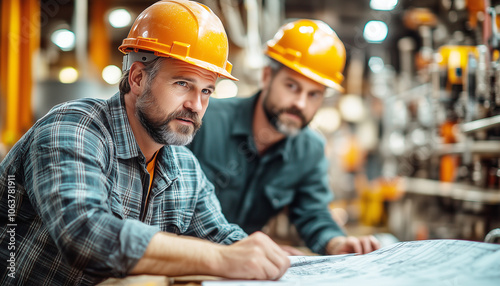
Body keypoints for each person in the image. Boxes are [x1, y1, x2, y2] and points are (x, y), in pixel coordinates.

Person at [0, 1, 289, 285]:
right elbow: (86, 235)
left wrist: (264, 256)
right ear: (138, 78)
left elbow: (224, 239)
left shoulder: (185, 168)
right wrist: (222, 260)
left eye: (206, 91)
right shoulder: (74, 128)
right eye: (182, 83)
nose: (196, 105)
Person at [188, 19, 380, 255]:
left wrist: (337, 243)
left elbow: (313, 214)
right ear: (267, 76)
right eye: (292, 86)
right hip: (184, 260)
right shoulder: (205, 121)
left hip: (241, 269)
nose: (300, 103)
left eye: (314, 95)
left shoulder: (310, 150)